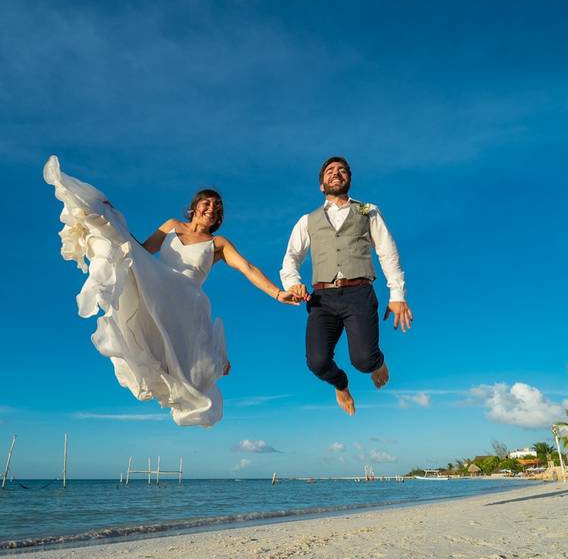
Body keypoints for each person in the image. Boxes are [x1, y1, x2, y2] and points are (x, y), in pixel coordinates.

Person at [45, 156, 298, 427]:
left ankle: (212, 362)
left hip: (188, 300)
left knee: (187, 363)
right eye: (207, 202)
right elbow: (140, 251)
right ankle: (209, 362)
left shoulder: (218, 243)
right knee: (148, 338)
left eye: (217, 206)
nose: (211, 208)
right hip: (160, 286)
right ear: (194, 208)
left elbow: (247, 268)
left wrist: (277, 293)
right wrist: (113, 221)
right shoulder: (170, 226)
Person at [281, 156, 413, 416]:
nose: (336, 173)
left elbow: (387, 252)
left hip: (359, 293)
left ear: (349, 179)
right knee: (317, 362)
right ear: (322, 185)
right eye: (330, 171)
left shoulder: (368, 210)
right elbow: (291, 258)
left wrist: (397, 294)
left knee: (363, 361)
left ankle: (377, 362)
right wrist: (293, 283)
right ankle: (341, 385)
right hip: (321, 298)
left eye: (342, 170)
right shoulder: (307, 221)